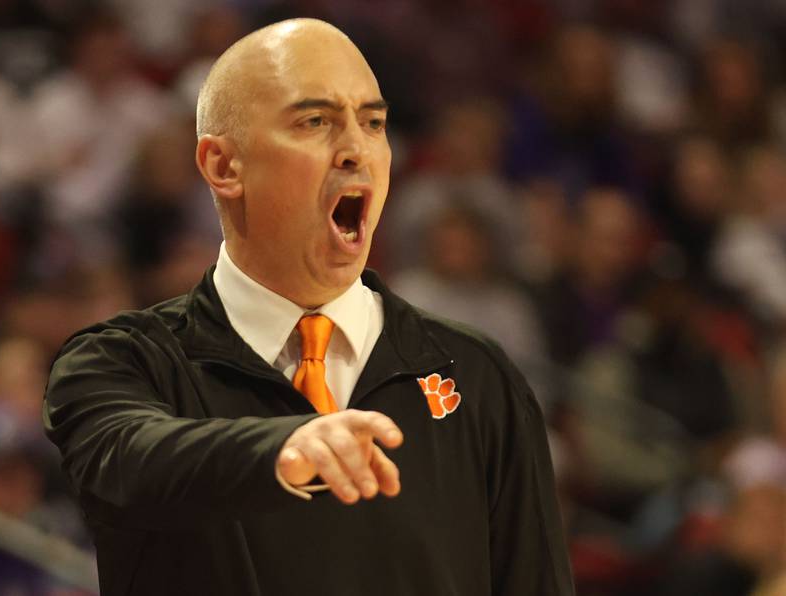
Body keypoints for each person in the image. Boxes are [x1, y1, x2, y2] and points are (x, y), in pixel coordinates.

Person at [43, 18, 573, 596]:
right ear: (224, 167)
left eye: (373, 123)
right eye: (315, 121)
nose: (355, 150)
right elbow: (131, 462)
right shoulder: (120, 362)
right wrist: (283, 446)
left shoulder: (476, 374)